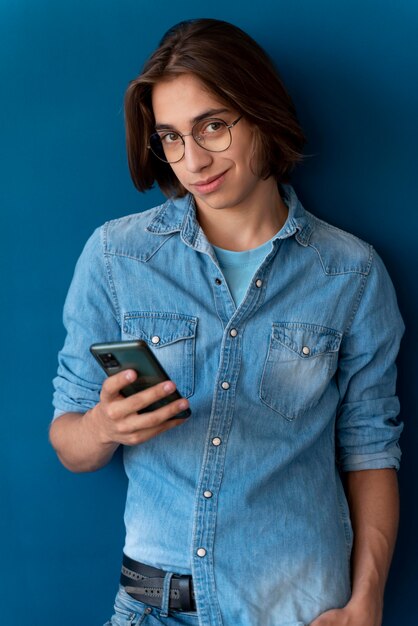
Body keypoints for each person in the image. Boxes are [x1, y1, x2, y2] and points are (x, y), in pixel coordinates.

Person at [50, 18, 404, 626]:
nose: (193, 160)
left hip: (298, 609)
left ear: (261, 113)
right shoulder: (116, 258)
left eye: (213, 126)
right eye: (171, 137)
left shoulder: (352, 273)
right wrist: (105, 426)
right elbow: (70, 444)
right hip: (152, 609)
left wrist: (367, 599)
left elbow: (371, 447)